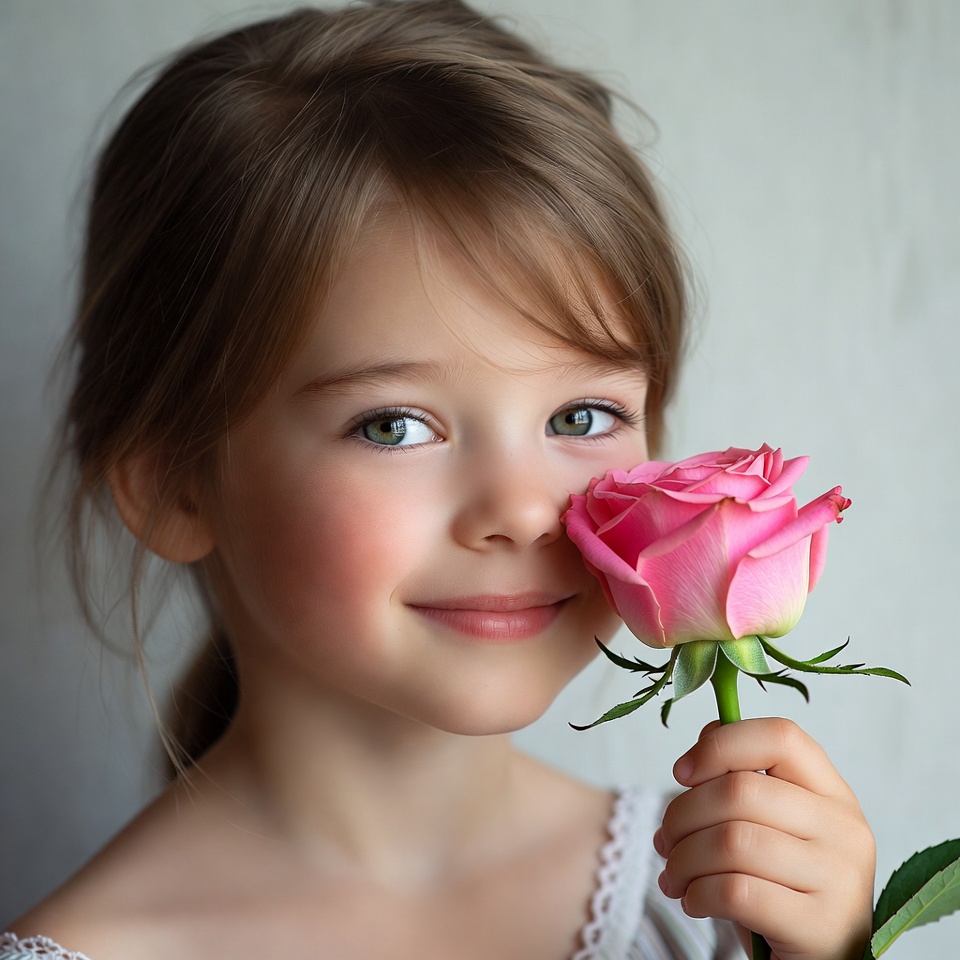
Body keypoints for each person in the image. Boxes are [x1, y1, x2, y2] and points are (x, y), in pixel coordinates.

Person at [2, 2, 876, 958]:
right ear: (174, 485)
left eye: (580, 417)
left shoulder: (719, 912)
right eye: (395, 425)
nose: (520, 510)